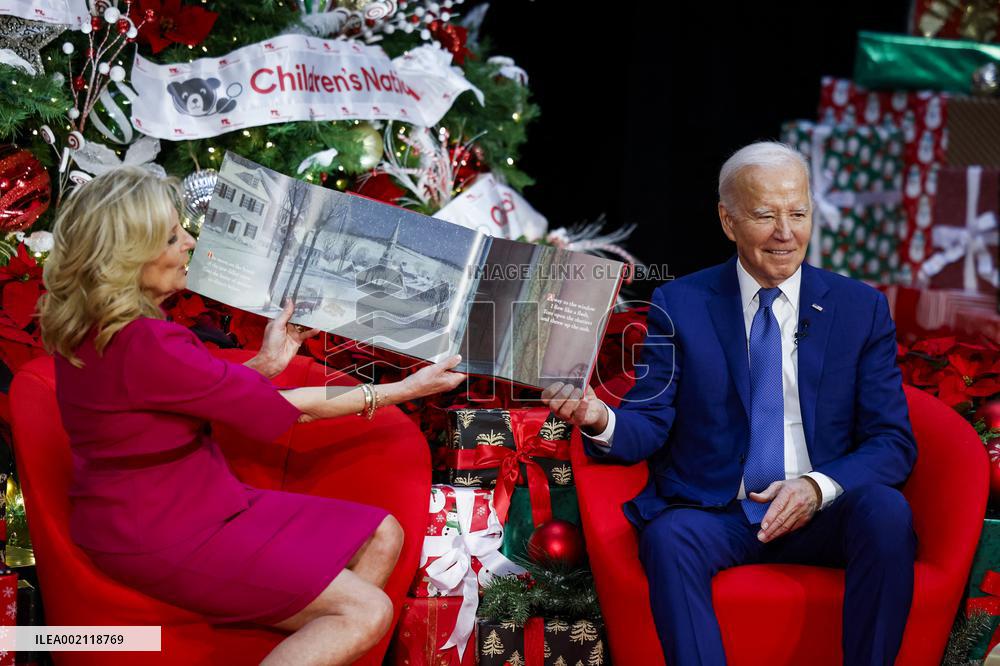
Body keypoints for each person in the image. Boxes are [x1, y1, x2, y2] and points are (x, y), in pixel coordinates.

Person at [38, 167, 465, 666]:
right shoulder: (144, 340)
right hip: (161, 530)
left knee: (382, 533)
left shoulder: (103, 327)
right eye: (173, 236)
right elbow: (290, 412)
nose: (191, 243)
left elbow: (189, 392)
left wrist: (266, 365)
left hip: (187, 502)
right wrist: (407, 388)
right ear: (130, 254)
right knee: (367, 613)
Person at [541, 142, 917, 665]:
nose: (786, 232)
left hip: (822, 508)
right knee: (669, 539)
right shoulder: (681, 303)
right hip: (721, 512)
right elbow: (651, 420)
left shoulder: (860, 308)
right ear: (728, 220)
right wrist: (598, 417)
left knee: (885, 511)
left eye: (798, 213)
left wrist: (816, 487)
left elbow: (892, 443)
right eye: (765, 215)